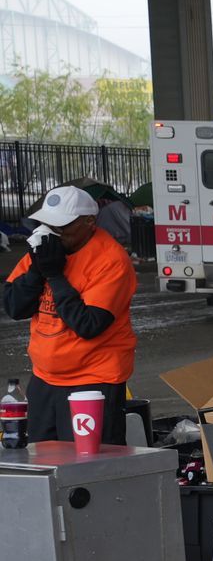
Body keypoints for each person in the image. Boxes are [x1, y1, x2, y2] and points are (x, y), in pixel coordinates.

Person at [2, 185, 137, 443]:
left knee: (89, 465)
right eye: (48, 224)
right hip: (45, 377)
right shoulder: (45, 249)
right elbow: (15, 307)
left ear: (89, 222)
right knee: (41, 458)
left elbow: (88, 324)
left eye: (62, 226)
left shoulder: (110, 260)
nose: (55, 232)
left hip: (93, 380)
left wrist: (54, 275)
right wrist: (35, 272)